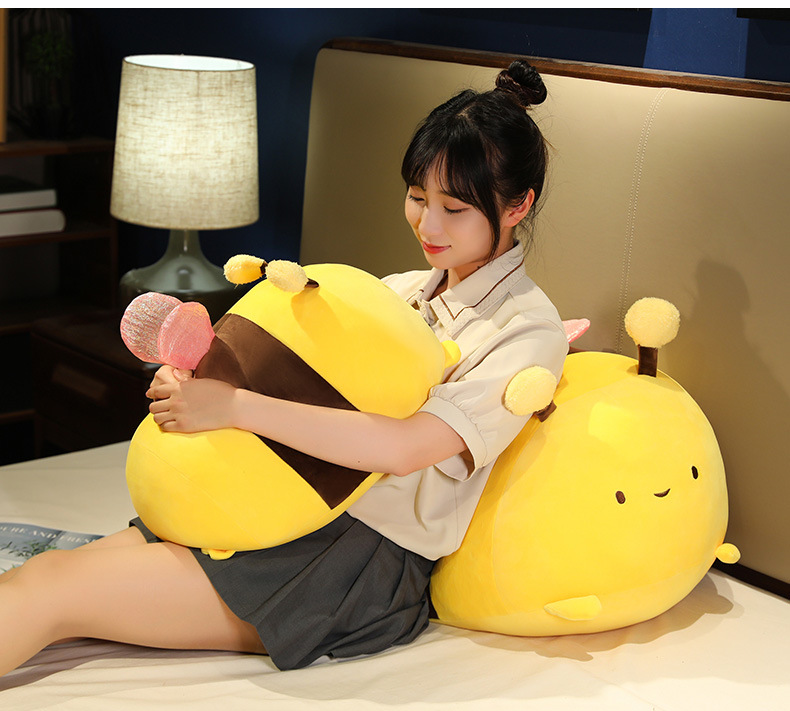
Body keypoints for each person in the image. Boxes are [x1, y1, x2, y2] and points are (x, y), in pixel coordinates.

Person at [0, 59, 568, 676]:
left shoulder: (527, 333)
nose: (427, 224)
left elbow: (406, 448)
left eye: (453, 208)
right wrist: (199, 386)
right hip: (274, 494)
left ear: (518, 205)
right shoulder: (397, 291)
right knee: (43, 575)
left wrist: (236, 407)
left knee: (53, 592)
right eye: (416, 197)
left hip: (353, 557)